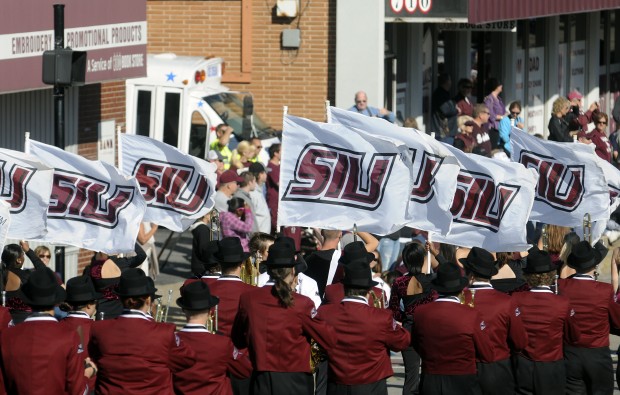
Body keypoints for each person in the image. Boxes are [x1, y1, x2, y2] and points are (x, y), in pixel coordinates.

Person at [231, 237, 336, 395]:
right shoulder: (302, 303)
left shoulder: (249, 299)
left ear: (269, 269)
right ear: (293, 270)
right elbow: (329, 339)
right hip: (295, 382)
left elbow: (238, 339)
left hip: (261, 379)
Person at [89, 268, 195, 394]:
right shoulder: (163, 332)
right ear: (149, 300)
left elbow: (96, 360)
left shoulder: (100, 329)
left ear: (120, 298)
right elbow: (187, 360)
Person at [316, 258, 410, 394]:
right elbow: (402, 342)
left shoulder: (324, 312)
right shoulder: (382, 317)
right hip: (372, 385)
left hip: (336, 384)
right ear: (369, 290)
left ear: (345, 287)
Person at [1, 267, 96, 395]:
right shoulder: (67, 336)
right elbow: (77, 391)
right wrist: (86, 374)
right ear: (56, 302)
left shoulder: (7, 336)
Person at [412, 261, 495, 395]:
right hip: (463, 381)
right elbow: (487, 353)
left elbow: (417, 344)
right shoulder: (472, 314)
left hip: (431, 379)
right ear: (461, 289)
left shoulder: (421, 312)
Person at [511, 247, 580, 395]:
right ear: (550, 275)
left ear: (528, 276)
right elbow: (573, 336)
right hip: (552, 365)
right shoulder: (562, 303)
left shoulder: (516, 299)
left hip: (523, 365)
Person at [460, 247, 528, 395]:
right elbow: (520, 341)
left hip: (463, 368)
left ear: (469, 273)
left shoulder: (459, 300)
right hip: (498, 368)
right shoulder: (506, 301)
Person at [557, 241, 620, 395]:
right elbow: (617, 321)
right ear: (595, 266)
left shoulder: (562, 286)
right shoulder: (604, 291)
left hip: (570, 353)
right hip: (597, 354)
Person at [173, 281, 252, 395]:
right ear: (211, 312)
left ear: (184, 310)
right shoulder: (222, 343)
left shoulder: (171, 341)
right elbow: (244, 371)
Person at [388, 241, 435, 395]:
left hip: (408, 329)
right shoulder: (431, 280)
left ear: (406, 261)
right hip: (428, 330)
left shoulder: (399, 282)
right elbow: (446, 268)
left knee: (411, 375)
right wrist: (433, 253)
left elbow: (393, 310)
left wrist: (406, 316)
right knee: (430, 373)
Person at [83, 243, 147, 319]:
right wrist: (130, 239)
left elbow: (87, 291)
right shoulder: (121, 263)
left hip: (102, 311)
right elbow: (142, 255)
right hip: (121, 310)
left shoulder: (90, 269)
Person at [431, 73, 459, 138]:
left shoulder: (445, 93)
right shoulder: (439, 94)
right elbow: (445, 110)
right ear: (447, 81)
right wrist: (456, 110)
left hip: (448, 132)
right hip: (443, 133)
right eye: (450, 80)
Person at [248, 162, 271, 234]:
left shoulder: (259, 189)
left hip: (263, 234)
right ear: (259, 175)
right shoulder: (253, 193)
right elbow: (250, 216)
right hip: (258, 235)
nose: (266, 175)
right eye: (264, 172)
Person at [266, 143, 281, 233]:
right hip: (273, 200)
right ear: (276, 153)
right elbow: (279, 183)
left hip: (279, 201)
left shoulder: (280, 166)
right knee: (275, 224)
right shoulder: (270, 167)